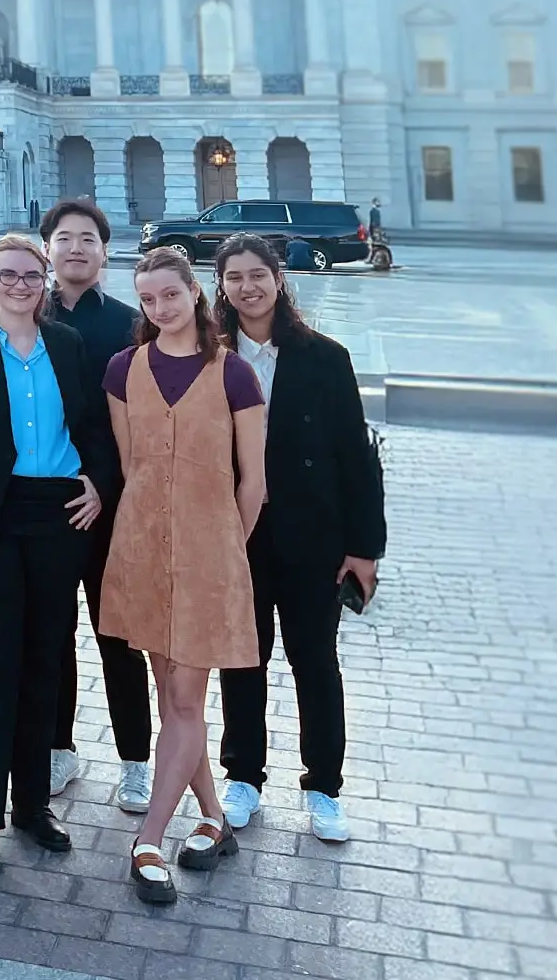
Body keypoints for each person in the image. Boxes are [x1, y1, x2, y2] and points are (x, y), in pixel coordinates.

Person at [0, 235, 116, 877]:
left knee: (47, 661)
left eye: (29, 275)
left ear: (44, 280)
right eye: (6, 274)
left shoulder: (67, 345)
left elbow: (91, 425)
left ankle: (33, 806)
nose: (18, 284)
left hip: (59, 515)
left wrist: (99, 481)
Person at [101, 246, 267, 904]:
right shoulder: (123, 370)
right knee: (173, 698)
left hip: (207, 558)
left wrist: (225, 549)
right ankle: (216, 821)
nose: (160, 308)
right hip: (142, 551)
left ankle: (148, 839)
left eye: (171, 294)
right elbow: (131, 465)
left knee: (184, 703)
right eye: (148, 298)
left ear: (195, 295)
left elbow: (253, 481)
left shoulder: (235, 376)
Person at [212, 232, 385, 844]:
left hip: (313, 539)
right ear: (222, 286)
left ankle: (324, 786)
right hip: (239, 538)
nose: (248, 287)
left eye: (258, 274)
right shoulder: (211, 357)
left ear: (278, 278)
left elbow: (356, 458)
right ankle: (243, 776)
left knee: (315, 663)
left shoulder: (323, 357)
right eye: (234, 277)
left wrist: (363, 548)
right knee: (243, 659)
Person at [38, 199, 150, 811]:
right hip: (48, 504)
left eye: (88, 239)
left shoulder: (133, 325)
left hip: (113, 505)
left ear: (105, 252)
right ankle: (59, 747)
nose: (75, 248)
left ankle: (135, 760)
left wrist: (103, 484)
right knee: (52, 633)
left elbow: (136, 423)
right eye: (64, 238)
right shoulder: (23, 314)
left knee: (120, 637)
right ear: (47, 248)